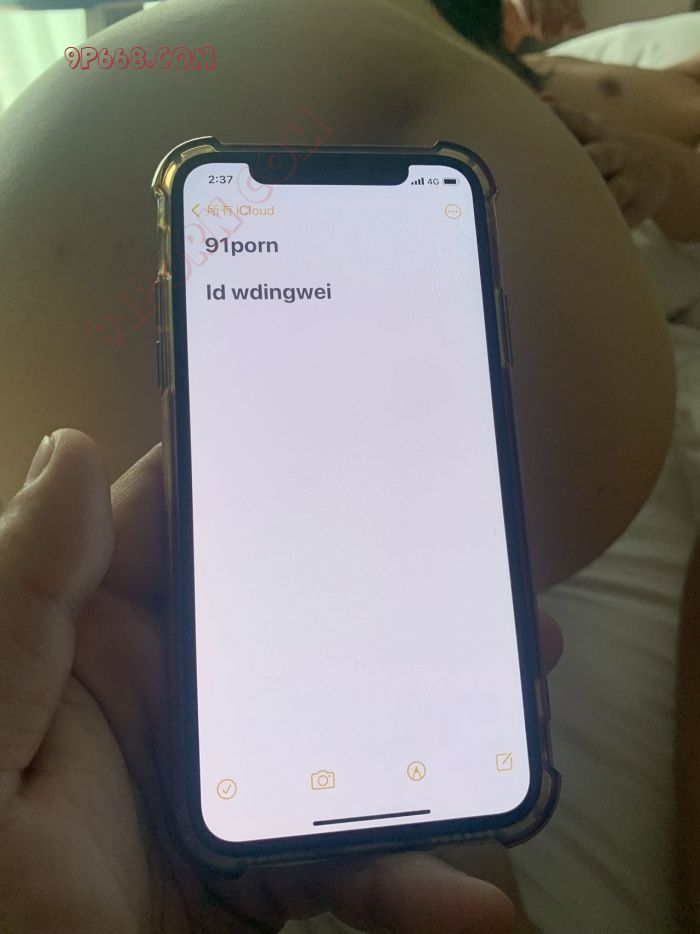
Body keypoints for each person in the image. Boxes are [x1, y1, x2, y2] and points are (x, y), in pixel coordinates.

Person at [0, 0, 676, 929]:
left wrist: (655, 167)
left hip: (179, 613)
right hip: (102, 592)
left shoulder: (561, 68)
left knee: (412, 796)